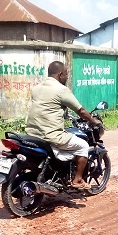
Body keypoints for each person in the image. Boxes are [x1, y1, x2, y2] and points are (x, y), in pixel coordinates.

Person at [25, 61, 101, 190]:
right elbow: (81, 110)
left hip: (32, 133)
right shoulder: (61, 90)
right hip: (51, 135)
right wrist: (93, 121)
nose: (67, 77)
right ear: (60, 75)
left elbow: (47, 107)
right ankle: (77, 180)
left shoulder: (36, 88)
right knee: (83, 146)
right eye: (66, 74)